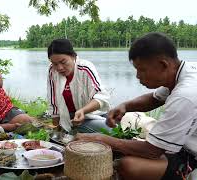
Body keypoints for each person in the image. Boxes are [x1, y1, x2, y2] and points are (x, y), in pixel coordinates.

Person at [75, 32, 197, 180]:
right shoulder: (182, 71)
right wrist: (125, 106)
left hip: (191, 154)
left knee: (129, 166)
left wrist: (100, 139)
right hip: (182, 142)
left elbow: (153, 151)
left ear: (163, 65)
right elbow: (155, 99)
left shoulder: (185, 94)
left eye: (142, 70)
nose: (138, 76)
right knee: (128, 148)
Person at [47, 39, 111, 133]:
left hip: (91, 114)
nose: (59, 68)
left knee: (120, 123)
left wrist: (83, 111)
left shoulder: (85, 68)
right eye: (55, 64)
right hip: (74, 119)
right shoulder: (52, 71)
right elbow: (53, 103)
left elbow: (101, 96)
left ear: (73, 56)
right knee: (109, 129)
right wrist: (57, 131)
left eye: (63, 62)